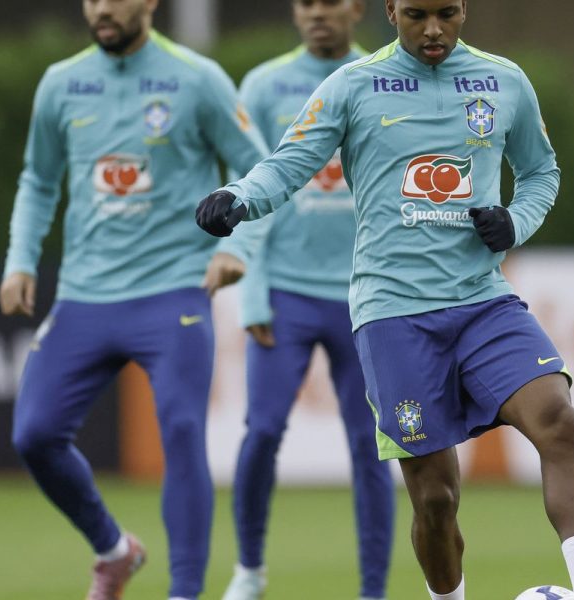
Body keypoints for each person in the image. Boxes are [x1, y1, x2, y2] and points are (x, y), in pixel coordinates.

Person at [195, 1, 574, 599]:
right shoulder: (353, 85)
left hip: (483, 301)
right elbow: (289, 163)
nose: (433, 29)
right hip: (393, 313)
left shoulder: (503, 80)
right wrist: (239, 198)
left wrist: (515, 221)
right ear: (390, 10)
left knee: (560, 421)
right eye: (416, 14)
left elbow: (541, 172)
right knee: (435, 497)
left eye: (447, 13)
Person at [0, 0, 269, 598]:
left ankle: (184, 592)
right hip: (84, 295)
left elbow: (260, 166)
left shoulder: (197, 78)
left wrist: (238, 246)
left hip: (174, 291)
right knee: (34, 435)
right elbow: (38, 180)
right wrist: (20, 260)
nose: (101, 8)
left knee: (181, 430)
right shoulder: (61, 82)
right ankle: (114, 551)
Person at [216, 2, 395, 600]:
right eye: (306, 2)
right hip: (285, 294)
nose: (317, 13)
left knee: (372, 448)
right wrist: (252, 293)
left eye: (330, 1)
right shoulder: (264, 85)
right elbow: (247, 185)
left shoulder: (384, 77)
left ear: (356, 9)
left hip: (365, 295)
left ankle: (373, 590)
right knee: (262, 431)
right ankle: (249, 571)